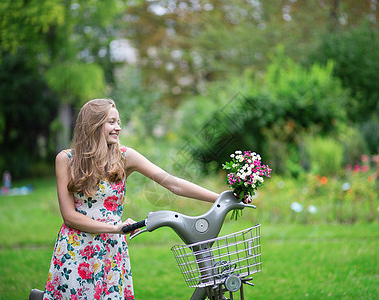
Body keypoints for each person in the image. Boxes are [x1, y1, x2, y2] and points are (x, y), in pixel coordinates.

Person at [43, 99, 246, 300]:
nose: (118, 128)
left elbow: (173, 183)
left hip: (111, 250)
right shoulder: (66, 159)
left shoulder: (124, 157)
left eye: (119, 122)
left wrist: (222, 198)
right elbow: (69, 216)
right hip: (75, 248)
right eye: (111, 122)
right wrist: (115, 228)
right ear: (93, 124)